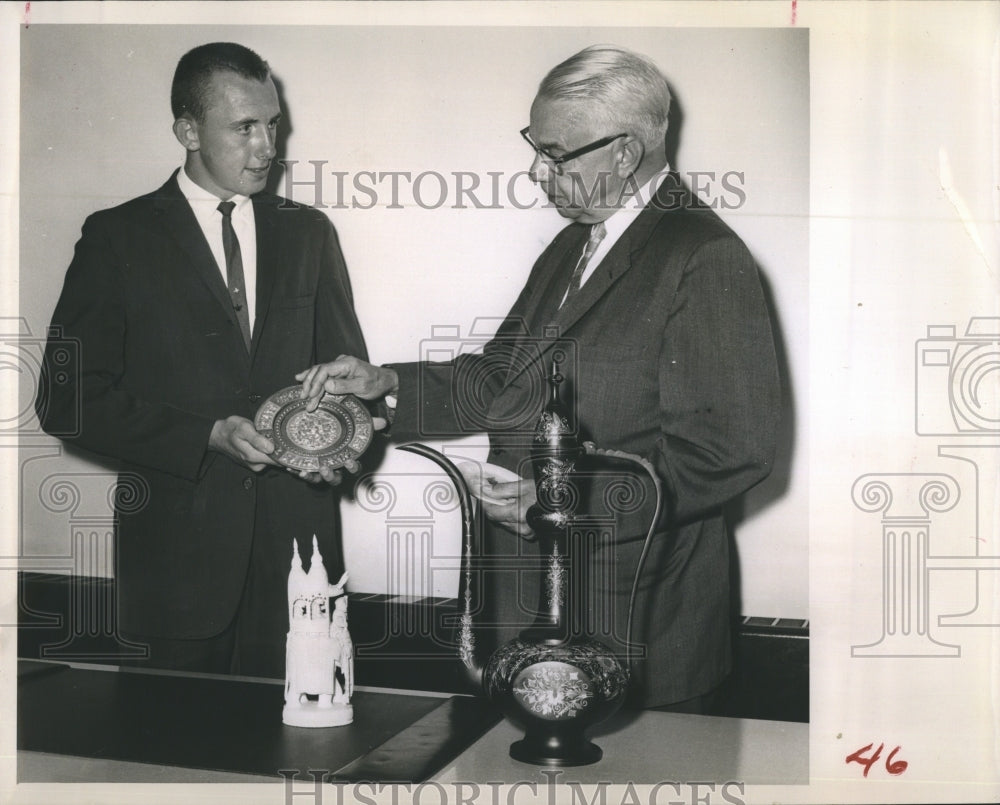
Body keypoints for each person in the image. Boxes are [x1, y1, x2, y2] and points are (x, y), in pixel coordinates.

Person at [298, 44, 781, 710]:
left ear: (624, 153)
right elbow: (504, 379)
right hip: (533, 612)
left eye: (555, 153)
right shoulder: (577, 240)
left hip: (632, 630)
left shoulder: (704, 254)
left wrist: (563, 505)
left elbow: (731, 450)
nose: (534, 171)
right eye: (534, 145)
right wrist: (384, 385)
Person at [35, 42, 372, 678]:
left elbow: (345, 374)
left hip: (300, 562)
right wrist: (206, 436)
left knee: (304, 759)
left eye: (273, 124)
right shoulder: (117, 237)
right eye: (245, 127)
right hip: (176, 572)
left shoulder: (310, 231)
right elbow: (67, 400)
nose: (267, 146)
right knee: (175, 760)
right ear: (187, 131)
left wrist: (340, 437)